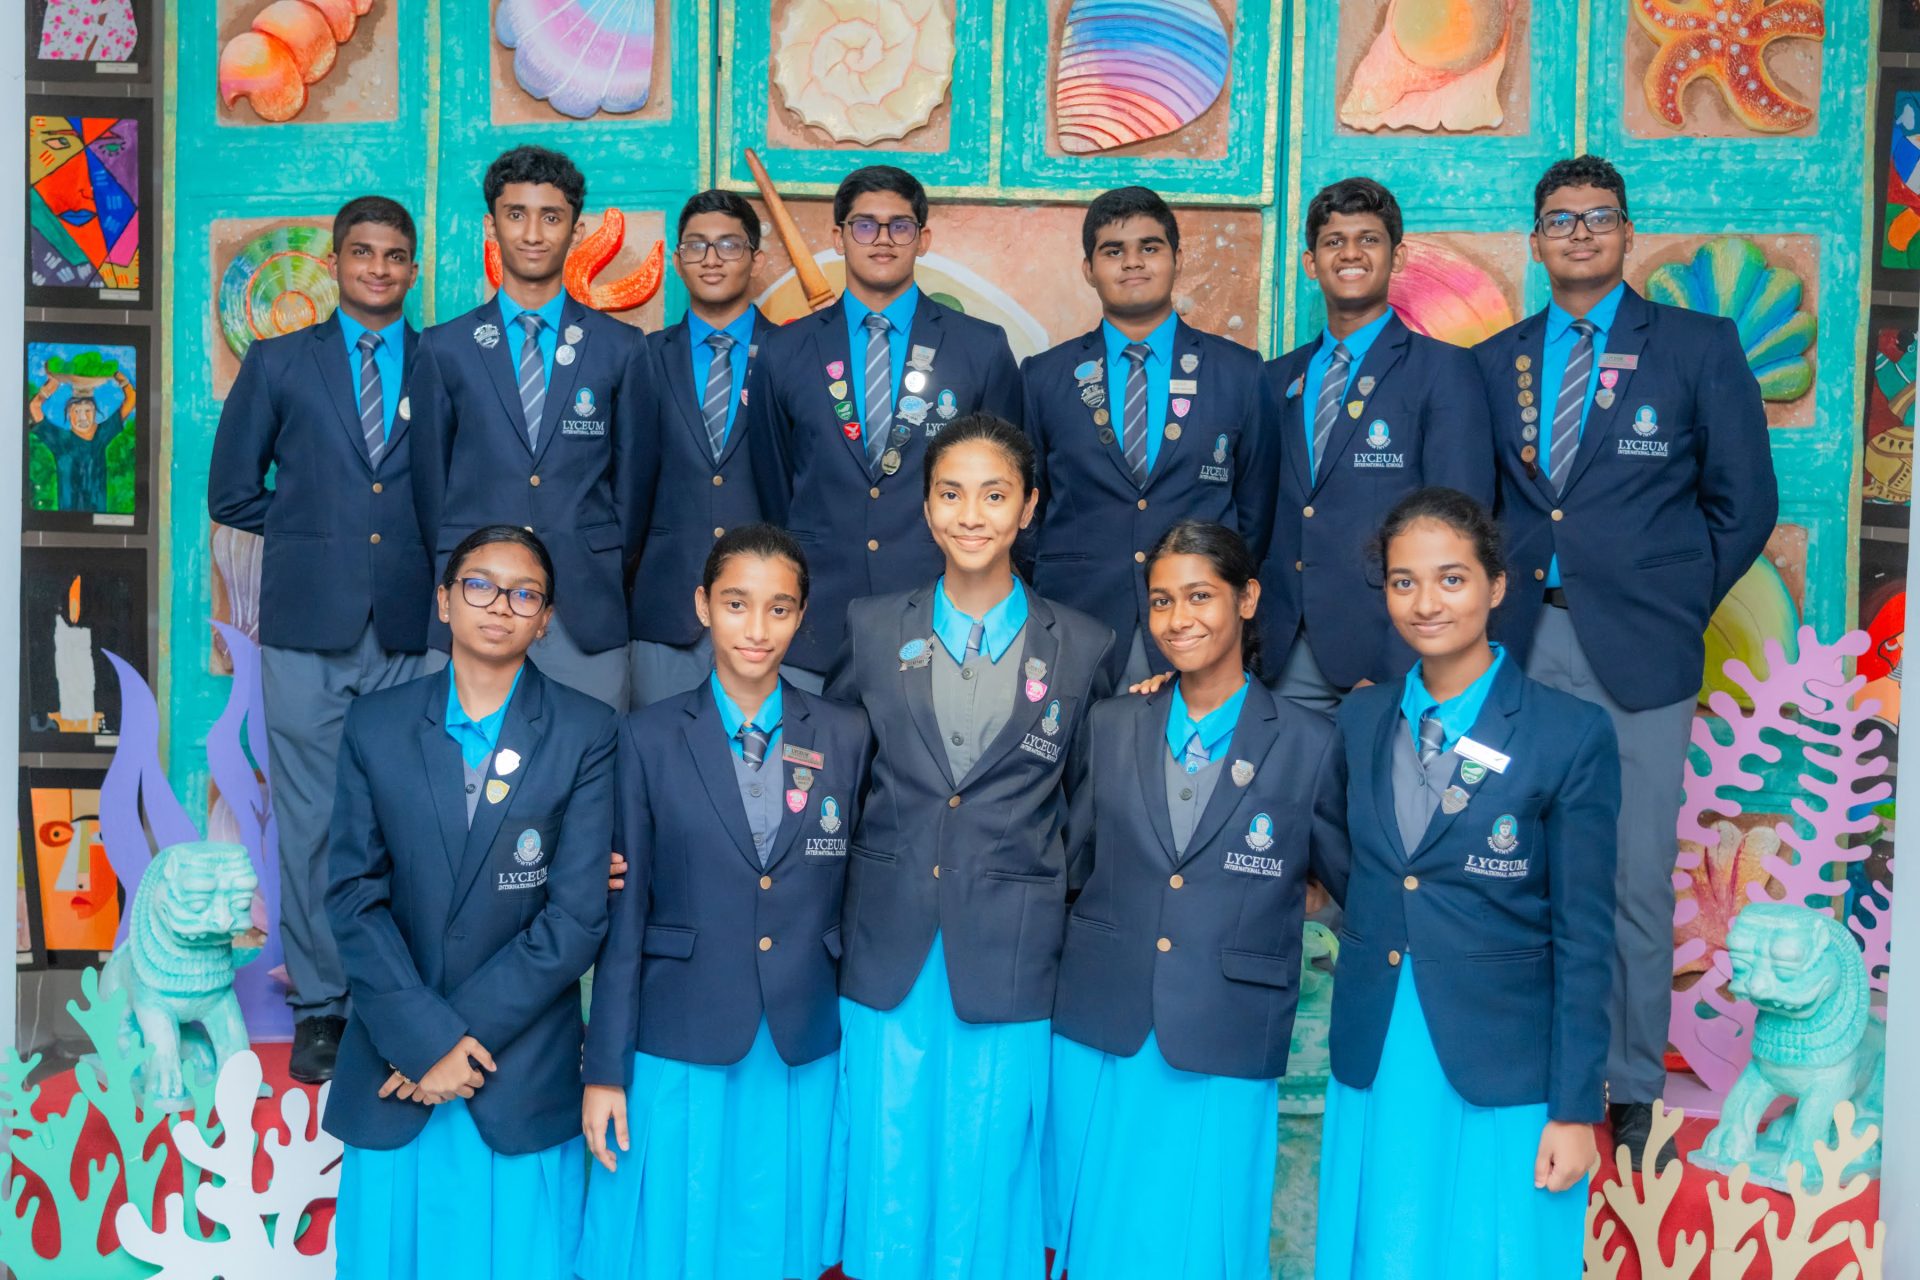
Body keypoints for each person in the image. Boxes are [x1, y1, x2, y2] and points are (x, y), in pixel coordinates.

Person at [1474, 155, 1777, 1163]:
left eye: (1598, 217)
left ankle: (1632, 1081)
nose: (1579, 233)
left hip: (1641, 650)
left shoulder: (1696, 345)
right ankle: (1527, 1064)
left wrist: (1678, 596)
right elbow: (1485, 512)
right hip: (1522, 641)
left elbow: (1747, 502)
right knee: (1511, 865)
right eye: (1560, 220)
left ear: (1627, 231)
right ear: (1535, 240)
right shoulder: (1499, 359)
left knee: (1635, 877)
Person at [826, 414, 1114, 1279]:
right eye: (950, 493)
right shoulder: (875, 627)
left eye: (994, 495)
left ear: (1028, 508)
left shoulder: (1085, 644)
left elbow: (1090, 812)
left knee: (990, 1177)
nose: (971, 514)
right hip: (888, 943)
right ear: (925, 505)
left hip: (1012, 952)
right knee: (885, 1167)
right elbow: (840, 778)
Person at [1316, 487, 1618, 1280]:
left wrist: (1577, 1108)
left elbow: (1585, 936)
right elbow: (1351, 862)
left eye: (1451, 579)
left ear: (1496, 585)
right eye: (1402, 581)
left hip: (1505, 1071)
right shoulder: (1360, 719)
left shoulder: (1570, 733)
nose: (1425, 602)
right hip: (1379, 1050)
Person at [1046, 521, 1348, 1280]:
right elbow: (1071, 865)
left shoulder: (1310, 742)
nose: (1180, 619)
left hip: (1226, 1026)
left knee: (1205, 1239)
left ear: (1247, 599)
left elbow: (1345, 886)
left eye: (1201, 597)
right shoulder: (1115, 725)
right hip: (1104, 1025)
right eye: (1161, 602)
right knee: (1099, 1236)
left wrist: (1292, 900)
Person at [577, 524, 872, 1280]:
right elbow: (624, 917)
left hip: (800, 1038)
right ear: (703, 606)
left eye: (780, 609)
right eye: (738, 604)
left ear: (803, 617)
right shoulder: (643, 739)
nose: (758, 628)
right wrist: (604, 1069)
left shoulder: (844, 734)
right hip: (679, 1035)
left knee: (775, 1243)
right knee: (675, 1242)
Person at [324, 525, 617, 1278]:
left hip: (515, 1075)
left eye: (525, 594)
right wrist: (422, 1039)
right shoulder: (376, 725)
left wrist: (454, 1045)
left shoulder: (587, 733)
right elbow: (355, 896)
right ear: (445, 600)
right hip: (396, 1071)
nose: (500, 606)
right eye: (480, 585)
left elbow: (576, 916)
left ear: (546, 619)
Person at [208, 195, 432, 1084]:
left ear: (412, 268)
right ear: (336, 263)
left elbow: (447, 493)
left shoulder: (442, 364)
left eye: (395, 256)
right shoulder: (278, 362)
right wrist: (316, 539)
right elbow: (232, 494)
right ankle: (322, 1007)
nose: (379, 268)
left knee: (411, 822)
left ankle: (399, 1002)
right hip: (308, 632)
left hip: (411, 629)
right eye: (363, 253)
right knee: (310, 822)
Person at [746, 165, 1024, 685]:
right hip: (816, 617)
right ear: (838, 237)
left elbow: (1007, 485)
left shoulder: (980, 348)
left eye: (900, 226)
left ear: (923, 239)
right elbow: (772, 479)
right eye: (864, 225)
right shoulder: (784, 350)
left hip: (941, 612)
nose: (882, 239)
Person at [409, 144, 654, 711]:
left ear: (576, 227)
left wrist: (595, 558)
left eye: (551, 216)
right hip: (475, 602)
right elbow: (428, 489)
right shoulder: (444, 348)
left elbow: (635, 489)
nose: (533, 233)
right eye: (516, 214)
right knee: (465, 775)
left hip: (584, 608)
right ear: (490, 225)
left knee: (592, 775)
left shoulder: (620, 348)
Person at [1022, 187, 1280, 687]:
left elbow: (1256, 511)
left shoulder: (1240, 373)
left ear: (1177, 260)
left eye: (1150, 247)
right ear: (1088, 268)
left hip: (1197, 631)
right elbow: (1030, 508)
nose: (1132, 262)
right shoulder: (1043, 377)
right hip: (1075, 621)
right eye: (1113, 251)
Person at [1261, 177, 1497, 712]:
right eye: (1333, 240)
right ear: (1309, 262)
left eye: (1368, 238)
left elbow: (1460, 527)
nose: (1349, 253)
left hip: (1388, 648)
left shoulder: (1444, 371)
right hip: (1281, 652)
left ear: (1398, 257)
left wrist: (1399, 661)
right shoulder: (1275, 379)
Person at [627, 190, 779, 707]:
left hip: (768, 612)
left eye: (729, 245)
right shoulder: (640, 358)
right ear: (677, 260)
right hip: (665, 609)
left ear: (757, 259)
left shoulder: (796, 354)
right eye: (696, 246)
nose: (711, 258)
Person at [30, 363, 133, 512]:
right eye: (76, 411)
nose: (82, 417)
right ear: (68, 414)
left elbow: (132, 399)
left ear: (95, 412)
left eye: (87, 410)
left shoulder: (102, 434)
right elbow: (34, 407)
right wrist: (49, 388)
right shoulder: (60, 439)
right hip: (67, 520)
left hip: (98, 521)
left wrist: (122, 381)